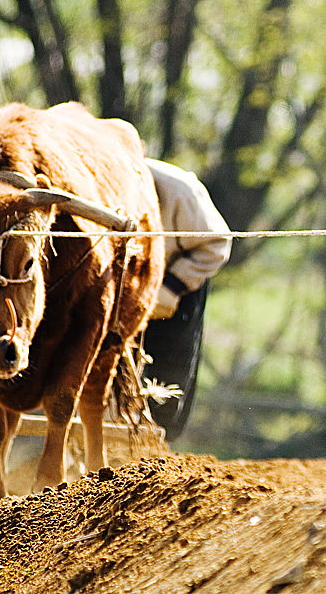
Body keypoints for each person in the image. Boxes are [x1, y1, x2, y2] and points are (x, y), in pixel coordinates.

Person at [143, 158, 232, 441]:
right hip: (122, 287)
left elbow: (217, 243)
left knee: (168, 364)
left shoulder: (178, 188)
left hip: (177, 286)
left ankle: (157, 439)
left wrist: (171, 286)